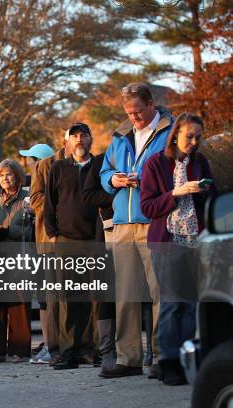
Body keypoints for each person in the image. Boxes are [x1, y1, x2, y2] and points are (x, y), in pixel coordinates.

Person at [99, 82, 174, 379]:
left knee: (159, 292)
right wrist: (114, 180)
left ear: (151, 104)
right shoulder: (118, 136)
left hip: (154, 222)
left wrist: (144, 179)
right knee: (126, 294)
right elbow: (104, 171)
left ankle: (160, 356)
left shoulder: (169, 133)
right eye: (129, 113)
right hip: (122, 224)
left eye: (139, 111)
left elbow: (173, 171)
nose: (134, 117)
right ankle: (127, 358)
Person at [140, 113, 216, 385]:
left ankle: (187, 361)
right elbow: (147, 207)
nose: (194, 142)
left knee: (192, 304)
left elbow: (211, 200)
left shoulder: (201, 162)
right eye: (189, 136)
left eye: (198, 137)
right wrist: (176, 193)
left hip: (196, 242)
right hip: (167, 241)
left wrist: (206, 190)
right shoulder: (155, 163)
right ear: (175, 135)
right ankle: (169, 362)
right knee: (173, 304)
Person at [44, 123, 99, 370]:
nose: (79, 140)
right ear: (67, 141)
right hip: (65, 240)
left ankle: (90, 349)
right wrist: (52, 234)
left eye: (83, 135)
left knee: (94, 297)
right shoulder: (59, 168)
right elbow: (48, 203)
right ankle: (68, 351)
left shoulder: (100, 166)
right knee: (67, 298)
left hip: (94, 240)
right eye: (74, 136)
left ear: (90, 140)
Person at [0, 159, 33, 364]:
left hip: (19, 256)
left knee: (19, 304)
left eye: (9, 174)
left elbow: (32, 230)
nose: (5, 178)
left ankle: (19, 351)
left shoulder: (27, 199)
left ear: (18, 176)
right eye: (2, 175)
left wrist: (9, 230)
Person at [29, 140, 71, 364]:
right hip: (50, 240)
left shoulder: (83, 164)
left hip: (77, 240)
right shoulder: (45, 166)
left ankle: (76, 346)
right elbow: (36, 200)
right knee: (52, 298)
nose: (30, 163)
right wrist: (64, 203)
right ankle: (54, 346)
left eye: (32, 159)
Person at [82, 152, 116, 371]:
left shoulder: (146, 157)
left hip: (140, 230)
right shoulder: (102, 160)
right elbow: (88, 196)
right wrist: (119, 194)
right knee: (107, 295)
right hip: (106, 234)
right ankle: (107, 352)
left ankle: (148, 352)